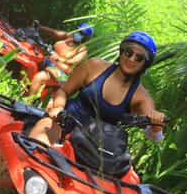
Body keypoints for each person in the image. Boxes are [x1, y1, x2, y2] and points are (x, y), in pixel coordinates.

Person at [28, 31, 165, 145]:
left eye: (139, 58)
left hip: (96, 146)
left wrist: (156, 126)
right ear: (122, 52)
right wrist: (58, 107)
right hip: (63, 123)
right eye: (128, 53)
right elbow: (64, 90)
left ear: (144, 64)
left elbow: (154, 136)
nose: (131, 59)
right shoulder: (94, 66)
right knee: (37, 143)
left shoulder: (140, 96)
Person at [28, 22, 94, 96]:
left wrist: (60, 59)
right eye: (78, 31)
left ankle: (27, 103)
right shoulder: (68, 36)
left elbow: (75, 60)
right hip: (48, 60)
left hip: (61, 72)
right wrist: (40, 27)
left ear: (85, 38)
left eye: (81, 34)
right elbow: (54, 32)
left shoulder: (82, 49)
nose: (78, 34)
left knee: (38, 78)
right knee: (28, 60)